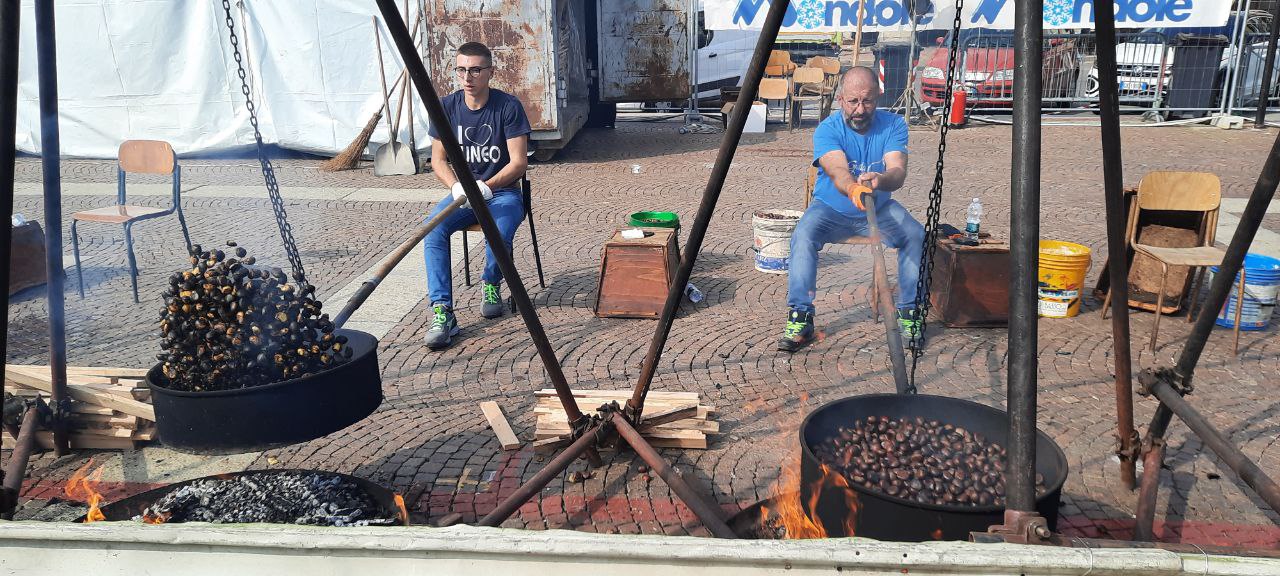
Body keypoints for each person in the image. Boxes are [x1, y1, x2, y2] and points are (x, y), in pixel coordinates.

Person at [777, 66, 925, 353]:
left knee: (915, 235)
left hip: (879, 210)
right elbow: (837, 169)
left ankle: (909, 311)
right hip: (830, 210)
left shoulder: (894, 125)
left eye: (867, 101)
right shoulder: (828, 129)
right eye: (853, 101)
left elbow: (898, 171)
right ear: (840, 99)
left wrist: (881, 180)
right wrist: (853, 188)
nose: (860, 109)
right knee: (803, 235)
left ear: (878, 97)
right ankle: (801, 316)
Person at [423, 41, 532, 351]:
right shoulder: (446, 107)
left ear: (490, 72)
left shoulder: (507, 106)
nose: (467, 77)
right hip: (463, 195)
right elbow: (438, 160)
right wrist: (456, 187)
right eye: (461, 70)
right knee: (433, 230)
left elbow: (519, 162)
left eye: (475, 70)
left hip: (502, 193)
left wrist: (488, 186)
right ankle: (443, 311)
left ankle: (491, 282)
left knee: (500, 230)